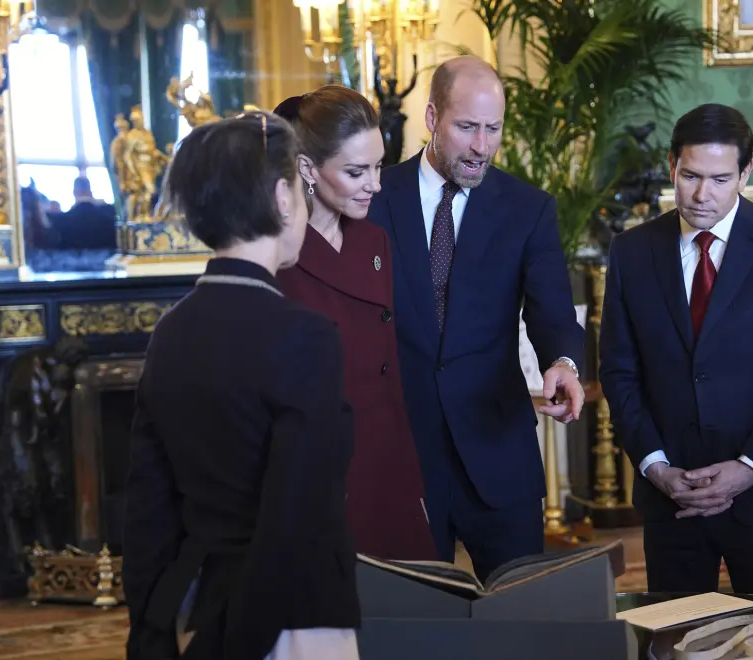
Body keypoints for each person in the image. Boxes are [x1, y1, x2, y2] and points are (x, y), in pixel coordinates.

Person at [123, 111, 360, 660]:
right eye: (302, 195)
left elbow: (147, 512)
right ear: (282, 197)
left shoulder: (170, 333)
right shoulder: (304, 335)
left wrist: (150, 633)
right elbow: (296, 518)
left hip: (196, 613)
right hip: (292, 623)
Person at [598, 103, 753, 596]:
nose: (702, 195)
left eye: (720, 179)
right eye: (689, 176)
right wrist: (654, 465)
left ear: (745, 173)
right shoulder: (632, 251)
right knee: (675, 640)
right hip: (672, 493)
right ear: (672, 166)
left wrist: (748, 468)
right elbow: (619, 372)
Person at [366, 55, 586, 583]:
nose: (481, 146)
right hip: (400, 452)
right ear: (432, 118)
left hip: (496, 449)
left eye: (493, 129)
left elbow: (551, 307)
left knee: (520, 619)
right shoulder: (373, 196)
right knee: (413, 623)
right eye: (467, 127)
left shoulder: (528, 209)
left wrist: (563, 361)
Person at [273, 86, 437, 561]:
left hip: (388, 462)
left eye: (378, 167)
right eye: (355, 171)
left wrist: (413, 484)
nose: (375, 185)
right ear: (306, 168)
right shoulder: (273, 253)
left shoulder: (374, 242)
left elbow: (390, 375)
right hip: (319, 474)